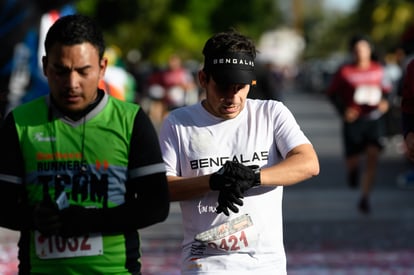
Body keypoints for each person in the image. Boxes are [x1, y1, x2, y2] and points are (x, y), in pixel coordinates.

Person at [0, 14, 169, 274]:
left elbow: (156, 205)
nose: (72, 83)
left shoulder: (130, 120)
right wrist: (34, 217)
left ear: (102, 67)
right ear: (45, 66)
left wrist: (90, 220)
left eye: (83, 71)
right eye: (61, 70)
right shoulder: (20, 123)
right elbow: (4, 205)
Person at [158, 30, 319, 274]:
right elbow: (160, 188)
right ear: (203, 79)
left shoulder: (271, 113)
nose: (233, 97)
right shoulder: (178, 123)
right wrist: (215, 181)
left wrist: (253, 177)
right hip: (205, 262)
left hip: (266, 264)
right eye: (223, 87)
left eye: (240, 87)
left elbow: (308, 164)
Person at [326, 34, 392, 213]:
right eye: (357, 50)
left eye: (364, 49)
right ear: (352, 52)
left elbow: (387, 91)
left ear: (370, 50)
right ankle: (352, 171)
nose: (361, 52)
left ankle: (365, 197)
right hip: (353, 121)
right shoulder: (345, 71)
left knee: (372, 156)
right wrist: (344, 111)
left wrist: (385, 102)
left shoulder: (379, 69)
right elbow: (332, 93)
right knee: (353, 160)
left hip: (374, 119)